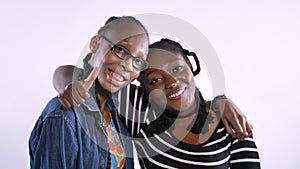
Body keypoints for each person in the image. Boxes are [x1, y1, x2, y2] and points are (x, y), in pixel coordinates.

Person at [52, 37, 259, 169]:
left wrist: (220, 102)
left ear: (190, 65)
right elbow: (70, 72)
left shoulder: (230, 125)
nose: (171, 82)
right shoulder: (141, 114)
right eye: (155, 80)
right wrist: (70, 86)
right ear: (146, 91)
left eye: (177, 68)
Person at [29, 16, 150, 169]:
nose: (127, 66)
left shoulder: (117, 116)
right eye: (120, 49)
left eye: (138, 61)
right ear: (95, 44)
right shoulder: (65, 116)